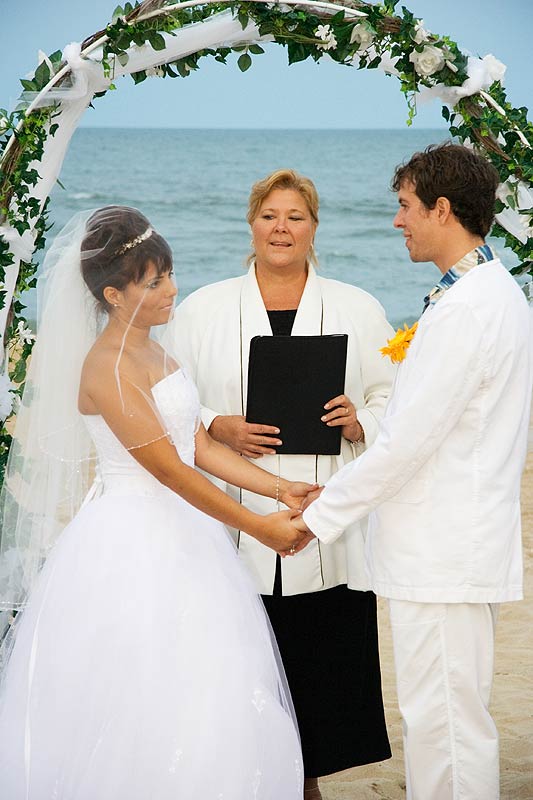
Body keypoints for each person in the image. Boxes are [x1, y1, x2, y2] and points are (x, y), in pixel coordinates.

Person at [0, 206, 312, 799]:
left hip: (187, 531)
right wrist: (257, 525)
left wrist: (277, 488)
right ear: (114, 294)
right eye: (154, 282)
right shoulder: (108, 368)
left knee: (210, 683)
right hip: (132, 539)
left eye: (169, 274)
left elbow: (193, 443)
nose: (172, 289)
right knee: (143, 689)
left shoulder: (154, 350)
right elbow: (167, 469)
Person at [288, 143, 533, 800]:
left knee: (445, 729)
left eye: (404, 207)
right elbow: (437, 421)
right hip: (457, 545)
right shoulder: (490, 291)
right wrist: (367, 425)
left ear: (442, 209)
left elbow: (406, 447)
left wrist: (314, 517)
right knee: (448, 721)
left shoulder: (467, 310)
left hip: (443, 552)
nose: (396, 221)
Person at [165, 169, 395, 798]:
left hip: (325, 509)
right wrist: (220, 425)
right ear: (251, 223)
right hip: (236, 507)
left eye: (296, 216)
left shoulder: (357, 306)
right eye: (270, 215)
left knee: (319, 661)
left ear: (315, 227)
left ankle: (308, 780)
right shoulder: (204, 308)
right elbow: (170, 402)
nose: (282, 228)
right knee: (241, 657)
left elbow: (391, 395)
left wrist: (360, 420)